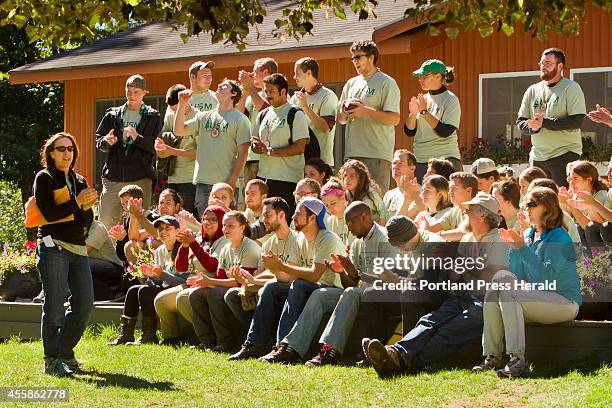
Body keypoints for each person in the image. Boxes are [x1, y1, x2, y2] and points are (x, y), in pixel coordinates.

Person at [363, 192, 509, 378]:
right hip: (460, 295)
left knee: (449, 331)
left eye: (470, 210)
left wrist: (460, 261)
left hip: (485, 302)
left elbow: (492, 275)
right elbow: (457, 277)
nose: (464, 213)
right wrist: (451, 265)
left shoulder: (499, 241)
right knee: (429, 321)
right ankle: (396, 354)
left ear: (483, 215)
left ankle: (403, 361)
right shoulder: (467, 239)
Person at [474, 187, 581, 378]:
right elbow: (518, 276)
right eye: (525, 204)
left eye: (532, 204)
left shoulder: (560, 237)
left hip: (564, 302)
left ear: (547, 208)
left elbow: (547, 278)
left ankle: (517, 360)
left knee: (506, 292)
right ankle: (493, 357)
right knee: (495, 288)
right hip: (539, 299)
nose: (527, 208)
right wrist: (515, 249)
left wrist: (522, 248)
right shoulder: (530, 236)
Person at [279, 202, 398, 366]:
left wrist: (357, 274)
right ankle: (292, 349)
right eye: (346, 223)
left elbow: (389, 279)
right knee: (321, 295)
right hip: (361, 293)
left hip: (384, 295)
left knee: (352, 293)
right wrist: (342, 271)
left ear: (365, 217)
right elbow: (353, 282)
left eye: (351, 222)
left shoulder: (385, 239)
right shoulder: (357, 243)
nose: (348, 228)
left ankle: (329, 351)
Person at [229, 197, 344, 361]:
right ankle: (253, 345)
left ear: (312, 218)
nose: (293, 216)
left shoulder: (327, 238)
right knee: (271, 287)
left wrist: (280, 266)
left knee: (298, 285)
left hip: (332, 289)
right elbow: (288, 276)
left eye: (298, 213)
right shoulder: (299, 238)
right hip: (310, 287)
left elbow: (314, 275)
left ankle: (282, 347)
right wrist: (274, 267)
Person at [34, 132, 98, 377]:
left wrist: (85, 206)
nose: (66, 153)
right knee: (54, 306)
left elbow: (87, 219)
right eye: (60, 149)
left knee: (84, 304)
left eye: (70, 148)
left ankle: (64, 351)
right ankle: (51, 359)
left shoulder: (79, 179)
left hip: (77, 248)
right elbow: (49, 214)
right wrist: (77, 202)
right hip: (53, 247)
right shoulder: (45, 178)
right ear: (51, 153)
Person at [224, 197, 297, 344]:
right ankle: (258, 338)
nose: (264, 220)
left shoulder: (296, 240)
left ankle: (256, 342)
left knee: (269, 288)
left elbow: (289, 276)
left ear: (281, 215)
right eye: (263, 216)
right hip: (270, 284)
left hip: (292, 286)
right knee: (232, 295)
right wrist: (244, 279)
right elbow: (261, 272)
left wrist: (256, 280)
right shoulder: (268, 244)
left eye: (268, 215)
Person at [174, 79, 250, 218]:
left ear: (233, 93)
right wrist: (182, 104)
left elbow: (243, 153)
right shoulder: (204, 116)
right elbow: (179, 130)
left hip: (225, 184)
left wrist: (232, 180)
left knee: (227, 227)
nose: (219, 85)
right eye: (220, 84)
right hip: (203, 183)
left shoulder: (240, 119)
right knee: (207, 228)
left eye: (225, 85)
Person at [95, 74, 162, 229]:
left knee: (140, 225)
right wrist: (107, 141)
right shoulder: (112, 114)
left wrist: (138, 138)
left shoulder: (153, 116)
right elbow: (99, 141)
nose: (132, 96)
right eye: (129, 91)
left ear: (145, 92)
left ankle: (138, 254)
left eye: (136, 92)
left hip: (140, 177)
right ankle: (107, 253)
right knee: (105, 223)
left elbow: (156, 145)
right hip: (113, 177)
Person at [188, 211, 261, 352]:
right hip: (228, 286)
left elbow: (245, 282)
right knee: (196, 294)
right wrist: (205, 282)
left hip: (248, 288)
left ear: (242, 227)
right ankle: (206, 340)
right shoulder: (226, 248)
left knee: (214, 294)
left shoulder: (250, 248)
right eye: (224, 225)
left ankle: (225, 342)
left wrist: (210, 281)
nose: (226, 229)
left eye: (231, 226)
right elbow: (221, 277)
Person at [109, 216, 184, 346]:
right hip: (167, 287)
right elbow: (160, 281)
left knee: (145, 291)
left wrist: (161, 274)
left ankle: (149, 335)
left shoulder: (183, 249)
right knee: (133, 290)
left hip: (180, 288)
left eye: (168, 228)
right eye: (160, 229)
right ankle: (126, 334)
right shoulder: (160, 250)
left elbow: (182, 281)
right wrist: (152, 276)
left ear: (177, 230)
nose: (163, 232)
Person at [517, 48, 586, 187]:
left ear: (560, 66)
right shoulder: (532, 90)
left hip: (565, 154)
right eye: (542, 63)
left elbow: (576, 121)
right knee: (537, 202)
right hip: (537, 157)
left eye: (548, 63)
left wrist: (544, 123)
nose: (543, 66)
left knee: (561, 203)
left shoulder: (571, 88)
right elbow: (520, 123)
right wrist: (533, 128)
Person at [337, 40, 401, 193]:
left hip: (376, 153)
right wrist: (345, 111)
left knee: (375, 201)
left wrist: (366, 111)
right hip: (352, 153)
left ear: (371, 58)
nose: (355, 62)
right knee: (352, 201)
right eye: (353, 58)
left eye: (358, 57)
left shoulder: (386, 82)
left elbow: (394, 119)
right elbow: (340, 119)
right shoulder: (351, 84)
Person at [250, 73, 310, 215]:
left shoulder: (295, 113)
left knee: (284, 222)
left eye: (271, 91)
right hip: (264, 177)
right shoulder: (263, 114)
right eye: (266, 92)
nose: (268, 95)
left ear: (283, 92)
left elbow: (300, 147)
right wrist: (257, 148)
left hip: (288, 179)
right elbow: (254, 144)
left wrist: (270, 151)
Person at [404, 59, 462, 183]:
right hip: (421, 161)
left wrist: (424, 112)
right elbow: (409, 132)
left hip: (445, 162)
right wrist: (413, 114)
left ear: (437, 76)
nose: (420, 79)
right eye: (419, 76)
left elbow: (445, 131)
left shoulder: (451, 100)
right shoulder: (423, 99)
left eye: (424, 76)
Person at [173, 206, 229, 331]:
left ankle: (207, 334)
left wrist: (192, 243)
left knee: (182, 298)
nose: (208, 222)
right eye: (205, 219)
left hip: (212, 283)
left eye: (213, 219)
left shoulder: (225, 241)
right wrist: (185, 245)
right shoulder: (199, 239)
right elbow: (180, 268)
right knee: (160, 300)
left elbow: (212, 265)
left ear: (221, 221)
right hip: (193, 282)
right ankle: (171, 337)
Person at [156, 84, 197, 215]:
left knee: (188, 218)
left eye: (179, 108)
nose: (175, 113)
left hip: (191, 179)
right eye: (173, 110)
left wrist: (172, 151)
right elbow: (164, 141)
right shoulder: (169, 117)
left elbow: (200, 153)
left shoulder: (199, 117)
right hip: (172, 176)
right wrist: (160, 149)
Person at [237, 57, 279, 186]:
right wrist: (244, 91)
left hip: (267, 157)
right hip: (250, 156)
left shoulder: (278, 94)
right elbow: (239, 115)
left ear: (265, 73)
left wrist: (251, 88)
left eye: (255, 72)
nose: (252, 75)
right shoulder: (253, 94)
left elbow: (268, 111)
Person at [290, 57, 339, 167]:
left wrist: (305, 107)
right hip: (299, 163)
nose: (294, 77)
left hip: (321, 162)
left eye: (297, 73)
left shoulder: (327, 96)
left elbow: (326, 128)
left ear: (308, 73)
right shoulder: (295, 98)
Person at [85, 219, 124, 301]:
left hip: (115, 271)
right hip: (97, 270)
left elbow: (81, 252)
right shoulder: (75, 229)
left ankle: (110, 295)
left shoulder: (97, 228)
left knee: (79, 263)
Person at [339, 159, 386, 225]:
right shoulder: (345, 195)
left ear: (360, 178)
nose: (347, 179)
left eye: (352, 176)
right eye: (345, 175)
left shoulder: (371, 194)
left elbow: (383, 215)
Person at [321, 179, 355, 249]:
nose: (330, 208)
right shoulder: (330, 221)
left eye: (333, 203)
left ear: (343, 198)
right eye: (326, 205)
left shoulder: (354, 218)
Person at [383, 149, 418, 220]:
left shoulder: (419, 192)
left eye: (400, 163)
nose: (395, 166)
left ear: (412, 169)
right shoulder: (388, 195)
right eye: (394, 163)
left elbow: (403, 219)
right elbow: (382, 223)